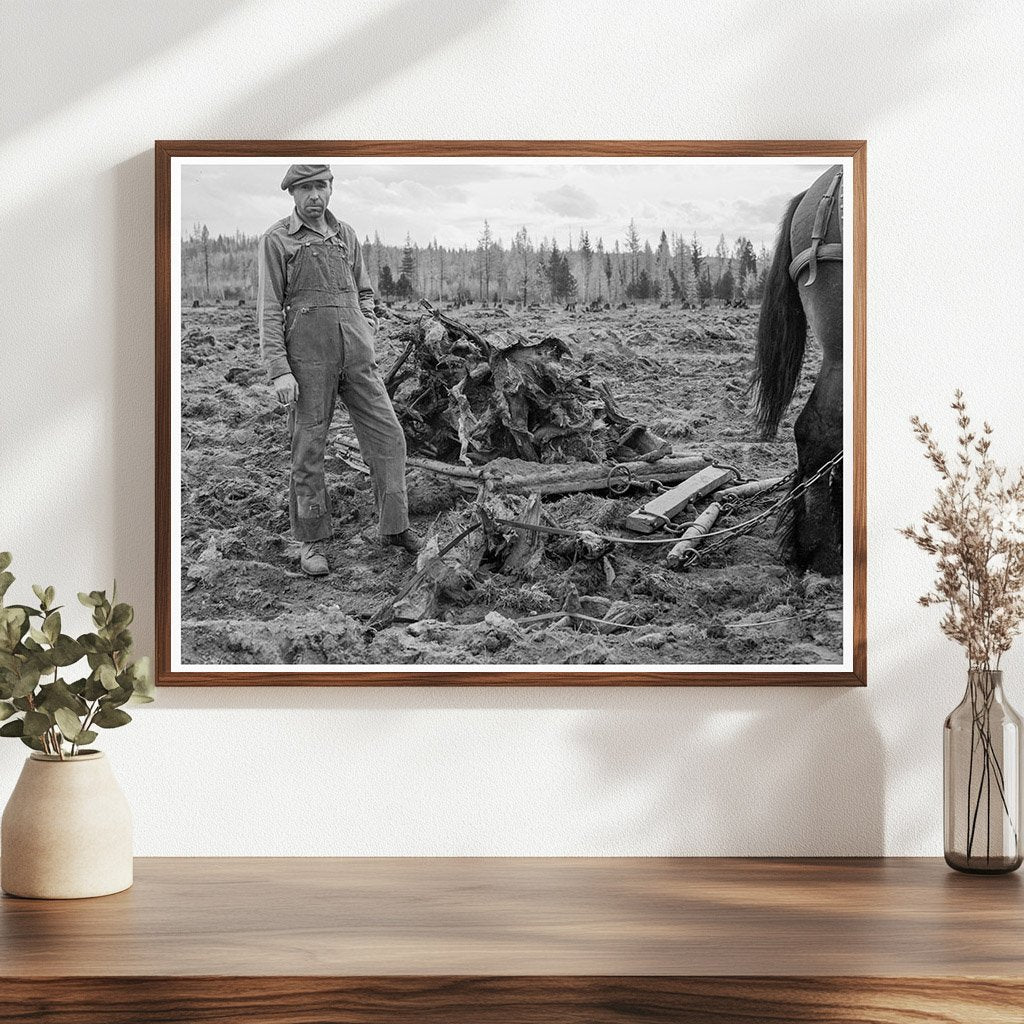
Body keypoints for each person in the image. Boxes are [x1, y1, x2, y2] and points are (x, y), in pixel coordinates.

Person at [257, 164, 422, 576]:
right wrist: (280, 370)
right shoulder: (278, 240)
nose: (314, 195)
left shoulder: (346, 235)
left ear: (331, 189)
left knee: (389, 435)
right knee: (308, 448)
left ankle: (395, 526)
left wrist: (367, 323)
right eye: (306, 188)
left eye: (321, 186)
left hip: (358, 358)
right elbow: (268, 309)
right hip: (309, 363)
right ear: (292, 194)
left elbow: (365, 290)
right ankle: (311, 541)